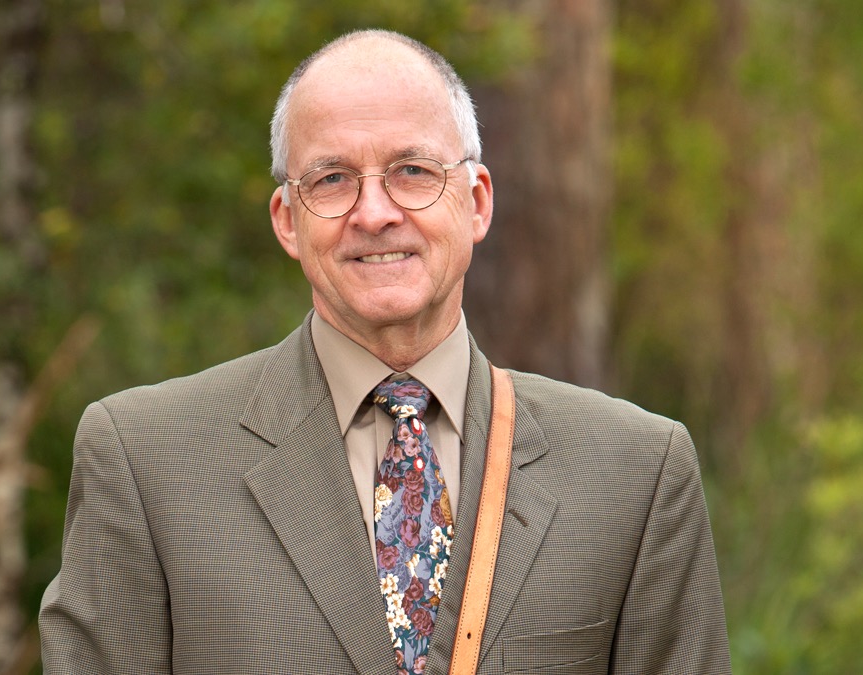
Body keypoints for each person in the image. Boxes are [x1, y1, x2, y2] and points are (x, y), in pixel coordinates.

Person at [39, 29, 731, 675]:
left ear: (477, 202)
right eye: (332, 179)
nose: (374, 213)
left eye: (412, 170)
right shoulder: (145, 461)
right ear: (287, 220)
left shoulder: (635, 472)